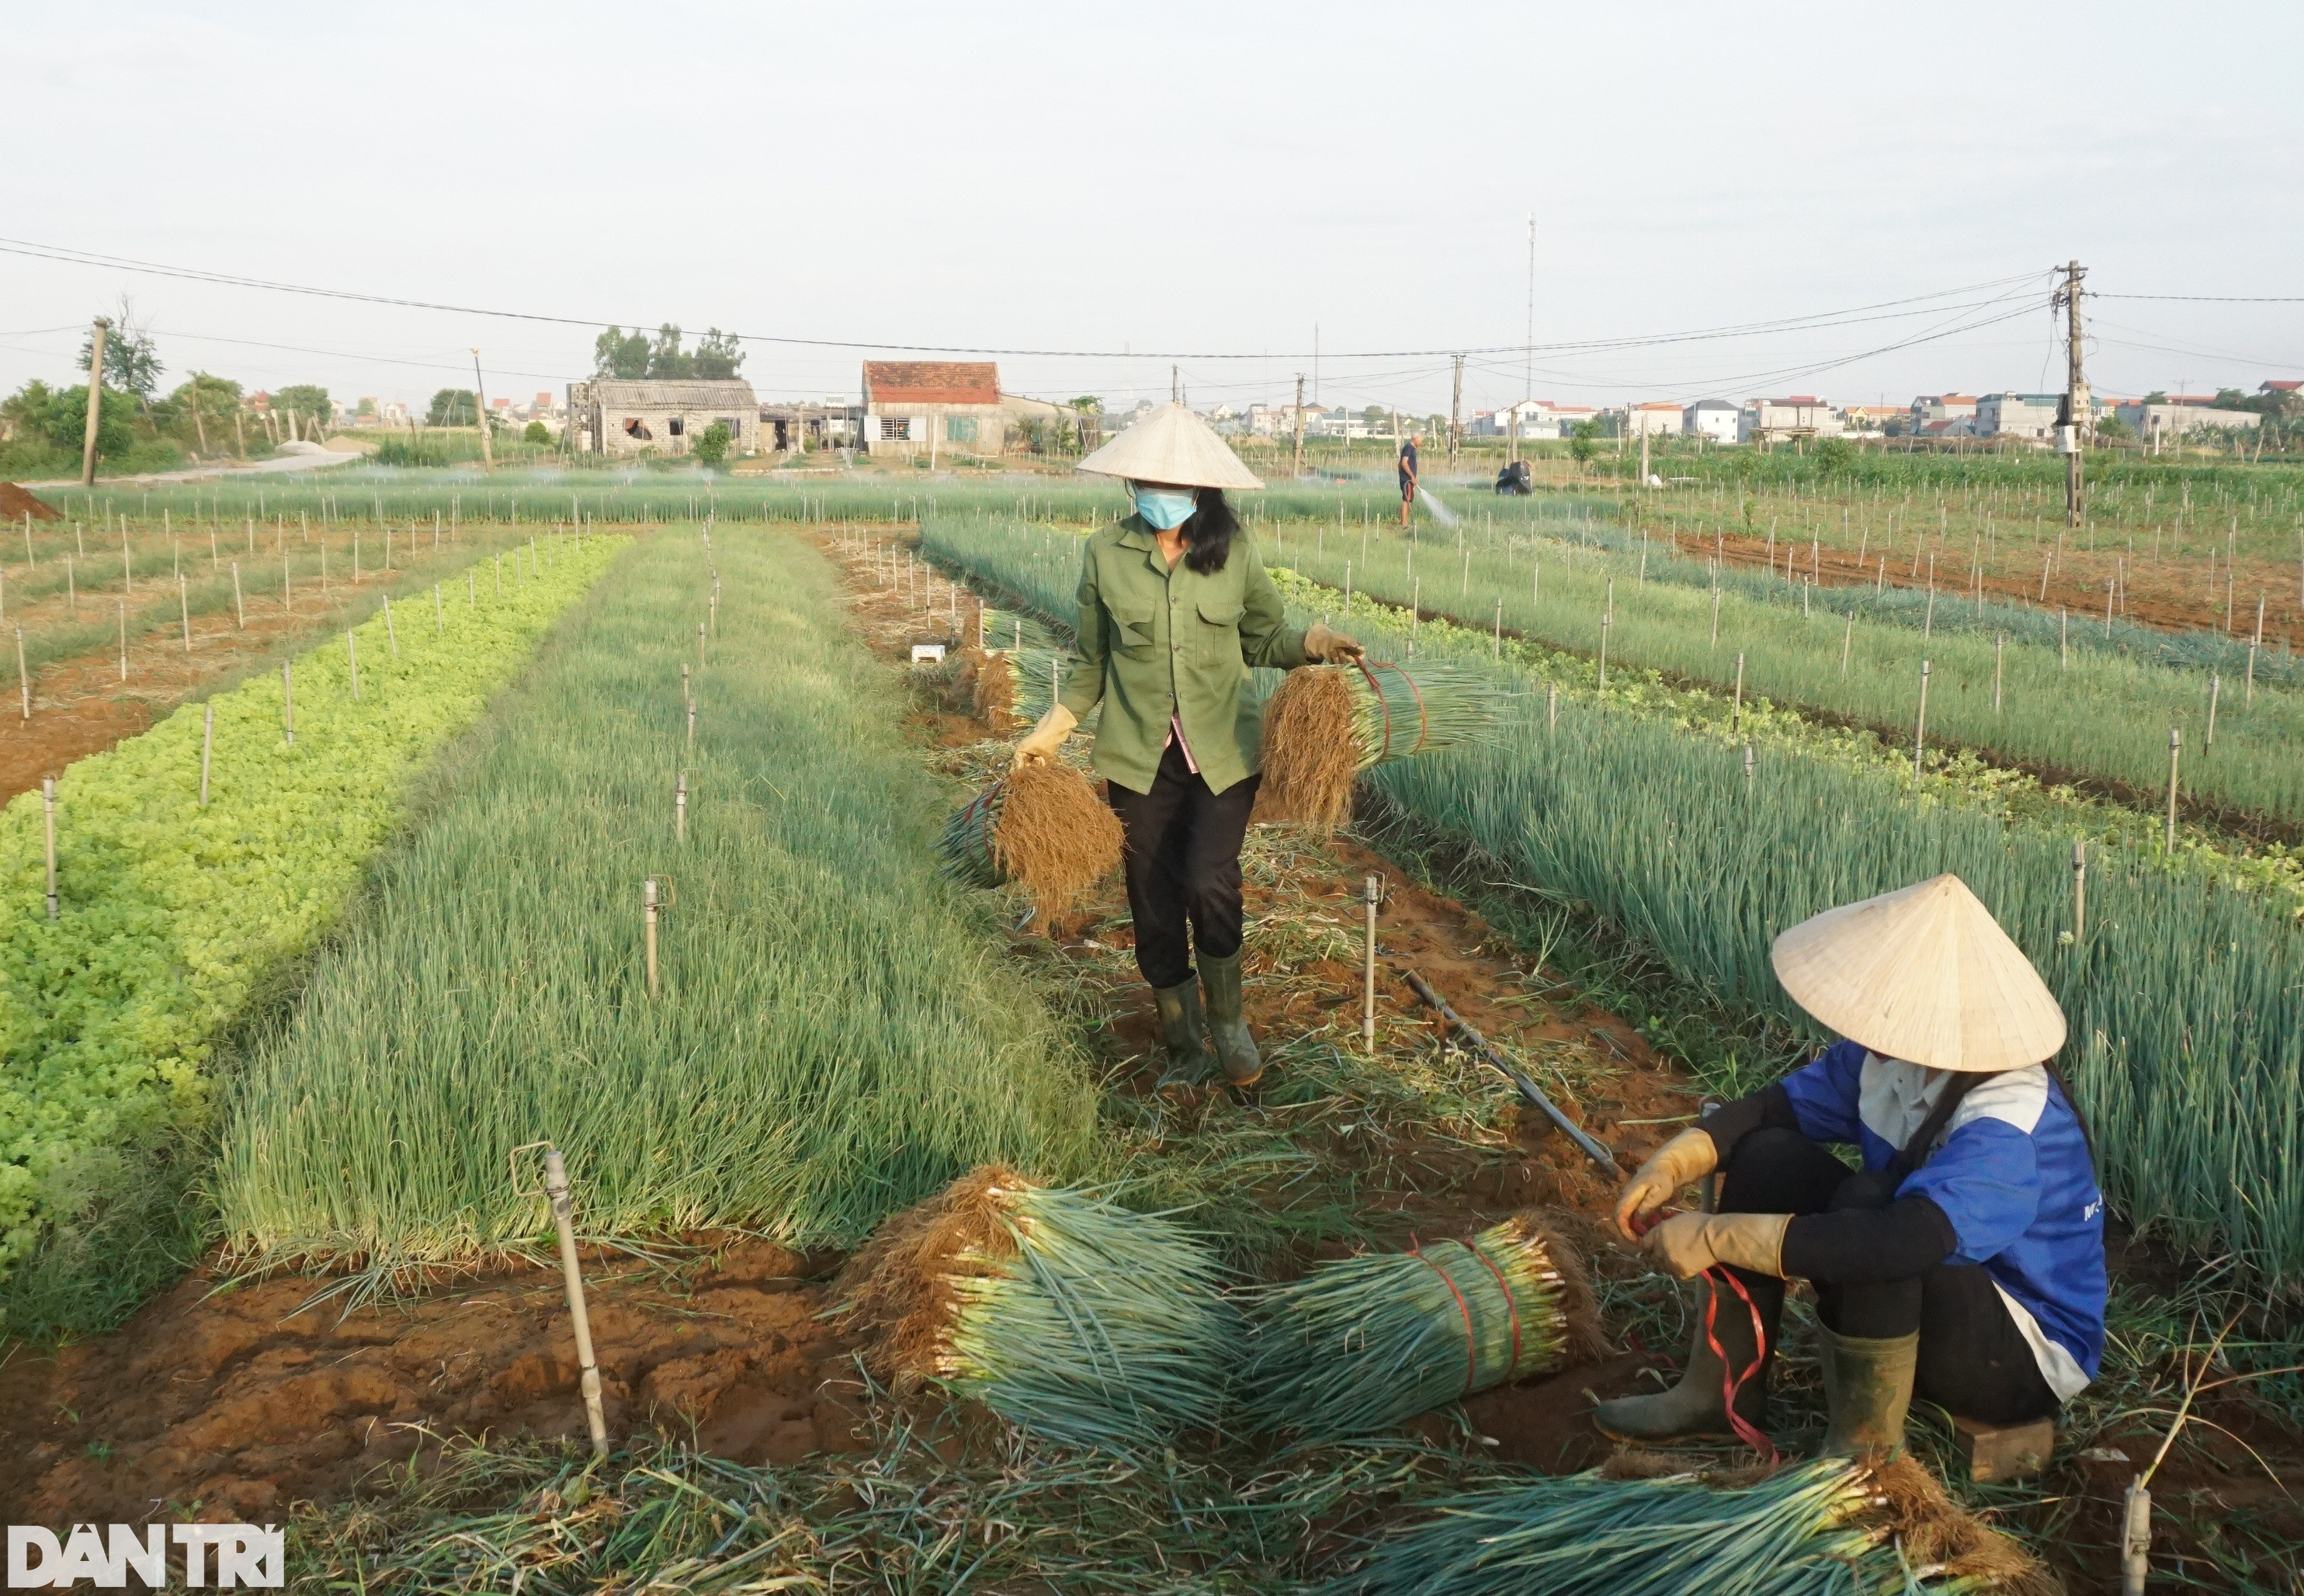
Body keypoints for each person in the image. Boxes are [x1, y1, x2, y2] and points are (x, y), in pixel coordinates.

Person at [1593, 873, 2106, 1456]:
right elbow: (1774, 1111)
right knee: (1769, 1158)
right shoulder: (1891, 1061)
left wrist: (1718, 1236)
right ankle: (1719, 1396)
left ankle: (1860, 1457)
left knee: (1874, 1211)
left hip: (2017, 1356)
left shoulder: (2010, 1121)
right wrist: (1677, 1160)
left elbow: (1903, 1241)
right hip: (1925, 1289)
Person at [1011, 403, 1363, 1089]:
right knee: (1150, 898)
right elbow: (1090, 663)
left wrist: (1313, 643)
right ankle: (1182, 1043)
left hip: (1223, 753)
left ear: (1200, 487)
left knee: (1208, 879)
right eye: (1146, 481)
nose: (1157, 494)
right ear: (1130, 483)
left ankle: (1229, 1025)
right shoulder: (1104, 553)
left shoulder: (1233, 552)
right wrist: (1048, 733)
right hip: (1137, 756)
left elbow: (1263, 637)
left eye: (1169, 483)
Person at [1397, 432, 1421, 526]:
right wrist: (1411, 476)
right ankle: (1404, 523)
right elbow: (1404, 463)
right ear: (1416, 438)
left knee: (1408, 499)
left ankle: (1404, 522)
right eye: (1420, 440)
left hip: (1407, 479)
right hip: (1407, 480)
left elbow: (1399, 464)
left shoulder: (1410, 448)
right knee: (1406, 499)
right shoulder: (1409, 448)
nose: (1421, 442)